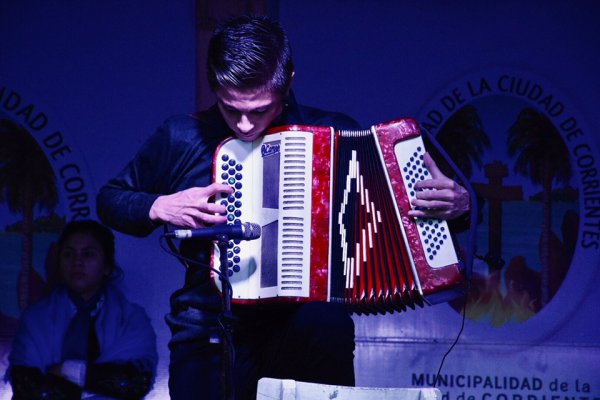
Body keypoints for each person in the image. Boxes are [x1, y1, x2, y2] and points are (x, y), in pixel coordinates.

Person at [96, 15, 470, 400]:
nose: (243, 125)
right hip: (208, 325)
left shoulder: (334, 133)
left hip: (309, 328)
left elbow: (396, 218)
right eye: (230, 109)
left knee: (324, 320)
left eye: (259, 110)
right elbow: (109, 199)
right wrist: (159, 205)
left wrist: (455, 207)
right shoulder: (180, 135)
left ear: (287, 82)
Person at [6, 220, 158, 400]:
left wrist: (68, 370)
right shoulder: (35, 318)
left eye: (88, 254)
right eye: (69, 254)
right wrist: (98, 382)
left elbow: (133, 383)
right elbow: (27, 387)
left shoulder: (131, 319)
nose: (77, 262)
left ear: (107, 266)